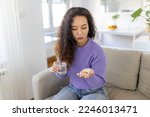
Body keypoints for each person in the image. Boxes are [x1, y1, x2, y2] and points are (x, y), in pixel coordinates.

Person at [51, 7, 108, 100]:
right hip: (73, 89)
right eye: (74, 28)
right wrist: (59, 70)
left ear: (89, 27)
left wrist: (90, 76)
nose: (80, 32)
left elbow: (99, 82)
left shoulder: (97, 51)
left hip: (94, 91)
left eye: (84, 27)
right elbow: (62, 76)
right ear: (68, 30)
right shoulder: (65, 47)